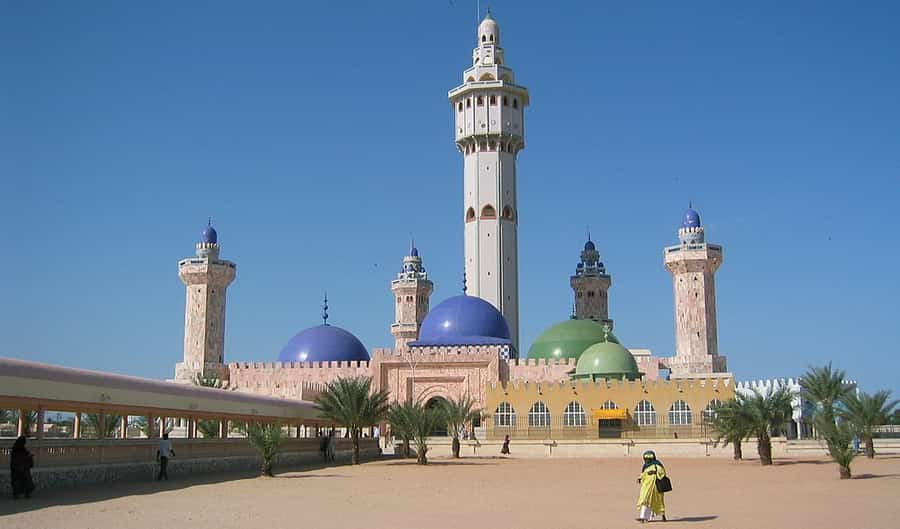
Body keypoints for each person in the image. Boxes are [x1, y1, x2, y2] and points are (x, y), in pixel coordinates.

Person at [636, 450, 666, 523]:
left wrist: (655, 472)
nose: (647, 460)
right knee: (644, 499)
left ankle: (660, 515)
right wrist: (640, 478)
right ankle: (642, 517)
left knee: (656, 501)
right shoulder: (645, 466)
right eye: (646, 459)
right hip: (646, 486)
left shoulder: (658, 465)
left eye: (649, 459)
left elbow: (662, 473)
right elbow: (643, 474)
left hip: (655, 486)